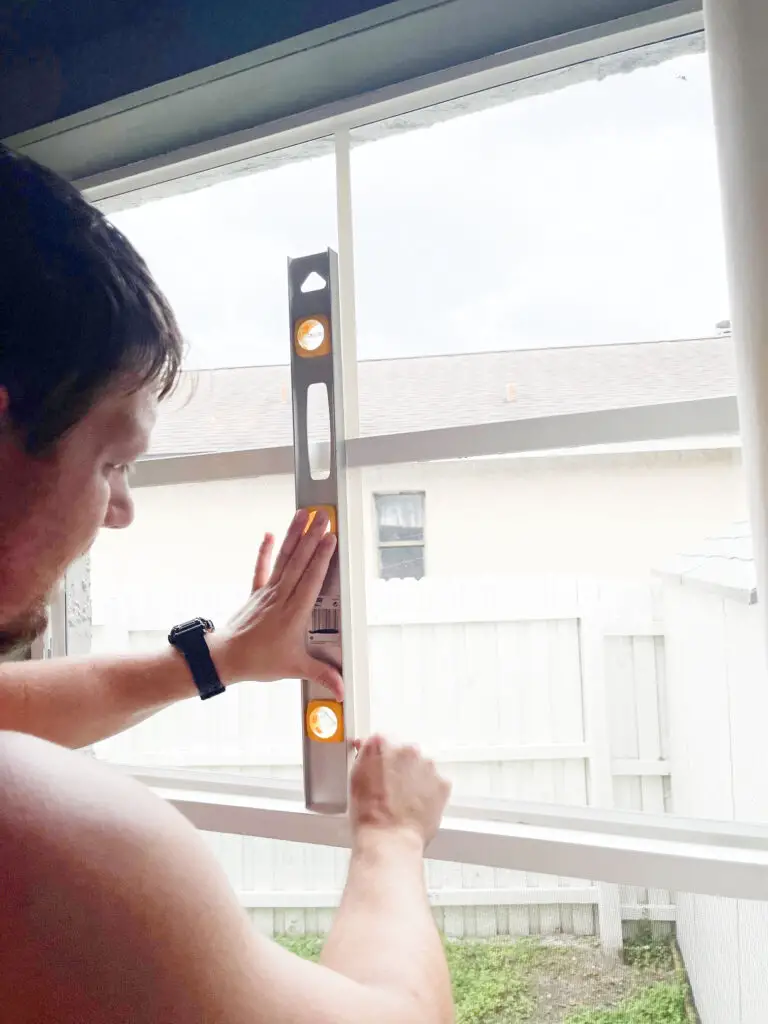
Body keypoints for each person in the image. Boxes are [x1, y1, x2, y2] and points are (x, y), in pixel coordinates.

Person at [0, 144, 454, 1023]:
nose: (120, 511)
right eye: (114, 462)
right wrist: (392, 837)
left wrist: (215, 659)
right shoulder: (42, 847)